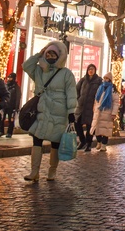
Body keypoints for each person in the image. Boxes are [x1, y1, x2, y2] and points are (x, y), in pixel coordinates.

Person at [22, 41, 76, 182]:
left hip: (59, 113)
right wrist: (39, 53)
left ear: (59, 56)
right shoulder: (40, 71)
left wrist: (71, 112)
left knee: (55, 143)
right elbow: (26, 66)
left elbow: (71, 93)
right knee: (36, 139)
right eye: (48, 53)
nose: (50, 56)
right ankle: (34, 171)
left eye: (53, 54)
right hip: (42, 110)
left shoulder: (66, 74)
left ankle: (52, 171)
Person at [74, 64, 102, 151]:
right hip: (81, 106)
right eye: (89, 69)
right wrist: (79, 98)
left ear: (95, 70)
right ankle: (82, 141)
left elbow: (101, 93)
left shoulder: (98, 81)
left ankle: (88, 144)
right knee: (77, 123)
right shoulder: (83, 80)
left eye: (92, 69)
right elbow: (76, 89)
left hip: (91, 107)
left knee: (90, 126)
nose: (91, 71)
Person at [91, 73, 120, 151]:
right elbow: (96, 100)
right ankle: (99, 142)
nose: (105, 79)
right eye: (104, 78)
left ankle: (104, 145)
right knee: (96, 128)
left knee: (105, 130)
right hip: (98, 111)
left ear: (110, 79)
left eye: (107, 78)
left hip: (107, 112)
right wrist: (94, 108)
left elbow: (116, 103)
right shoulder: (100, 88)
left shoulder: (113, 90)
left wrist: (114, 113)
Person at [0, 73, 21, 138]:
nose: (9, 79)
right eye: (8, 77)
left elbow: (18, 97)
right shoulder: (5, 85)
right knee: (1, 119)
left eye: (10, 78)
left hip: (11, 106)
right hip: (4, 105)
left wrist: (16, 107)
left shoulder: (16, 87)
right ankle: (0, 131)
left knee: (11, 120)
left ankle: (9, 132)